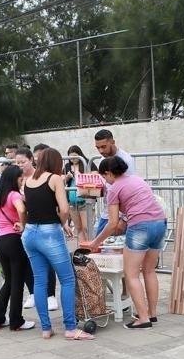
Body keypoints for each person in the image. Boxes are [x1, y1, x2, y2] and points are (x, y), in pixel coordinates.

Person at [83, 156, 166, 329]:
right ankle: (152, 313)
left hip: (140, 227)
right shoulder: (137, 180)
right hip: (160, 223)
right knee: (149, 271)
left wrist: (96, 242)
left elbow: (112, 224)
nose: (104, 180)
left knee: (131, 274)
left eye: (104, 177)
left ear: (108, 173)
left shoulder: (114, 189)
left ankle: (143, 319)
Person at [22, 148, 93, 340]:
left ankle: (46, 328)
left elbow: (29, 208)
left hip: (29, 233)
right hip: (49, 233)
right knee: (67, 279)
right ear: (55, 162)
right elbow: (63, 209)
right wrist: (62, 223)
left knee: (40, 280)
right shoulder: (55, 179)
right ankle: (70, 328)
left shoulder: (27, 181)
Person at [0, 165, 35, 332]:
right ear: (14, 179)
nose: (22, 181)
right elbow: (21, 210)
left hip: (0, 241)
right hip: (14, 240)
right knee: (18, 281)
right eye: (20, 179)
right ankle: (16, 320)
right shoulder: (14, 195)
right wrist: (23, 224)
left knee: (9, 281)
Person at [15, 147, 57, 311]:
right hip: (22, 224)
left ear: (31, 160)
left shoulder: (39, 176)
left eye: (23, 162)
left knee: (48, 260)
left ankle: (50, 295)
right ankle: (32, 292)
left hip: (41, 222)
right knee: (27, 260)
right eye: (17, 162)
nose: (20, 165)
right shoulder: (15, 178)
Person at [93, 129, 136, 236]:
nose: (101, 151)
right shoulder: (102, 159)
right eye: (98, 147)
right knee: (100, 247)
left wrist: (124, 219)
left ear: (112, 142)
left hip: (122, 215)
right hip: (107, 213)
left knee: (116, 249)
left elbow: (131, 192)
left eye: (103, 146)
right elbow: (105, 185)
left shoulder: (126, 159)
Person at [63, 145, 90, 242]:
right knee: (78, 228)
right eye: (70, 157)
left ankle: (91, 247)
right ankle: (83, 249)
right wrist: (67, 177)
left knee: (87, 228)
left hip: (84, 200)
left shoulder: (86, 163)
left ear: (79, 154)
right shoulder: (67, 167)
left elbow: (94, 176)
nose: (73, 159)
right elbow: (62, 181)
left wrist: (81, 175)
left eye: (75, 156)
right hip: (72, 202)